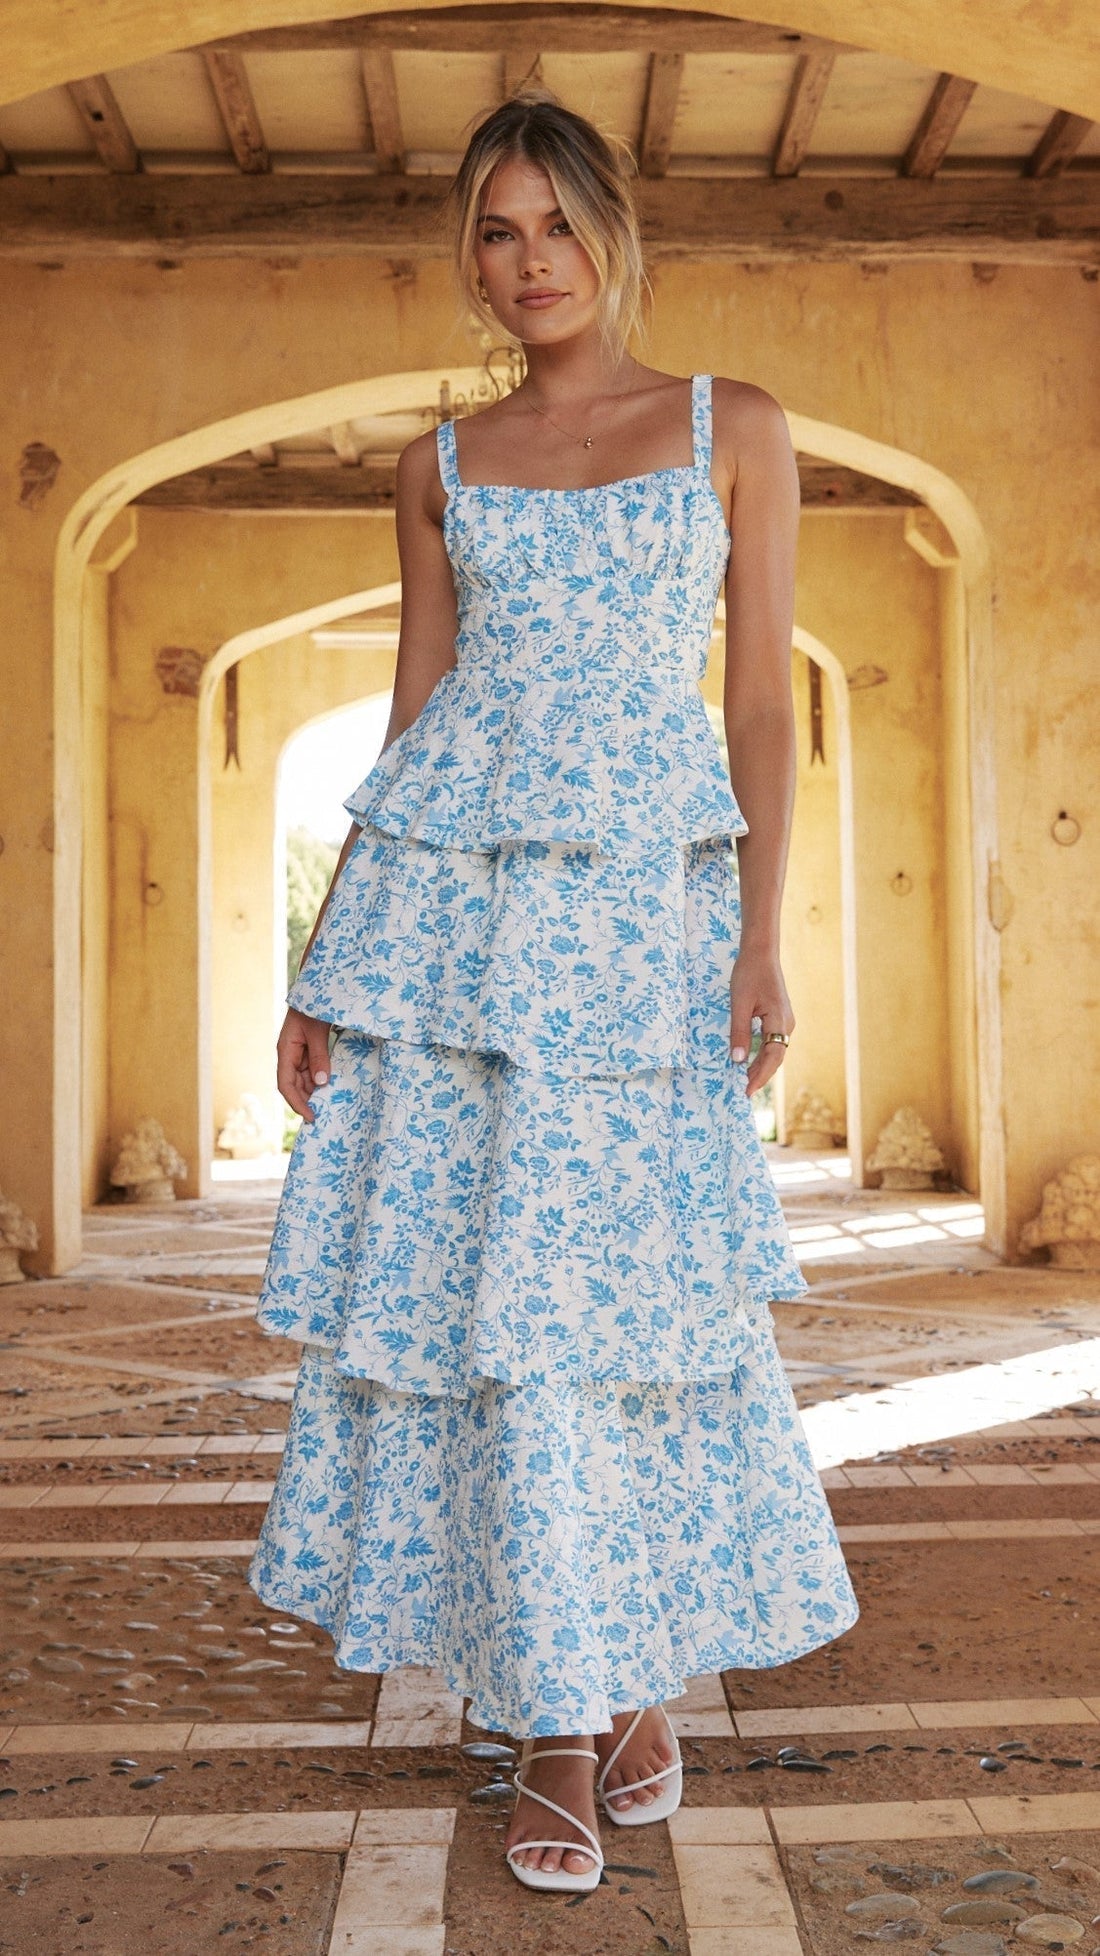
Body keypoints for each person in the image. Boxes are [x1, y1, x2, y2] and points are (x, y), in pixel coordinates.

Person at [247, 90, 858, 1895]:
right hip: (456, 945)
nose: (529, 266)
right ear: (473, 255)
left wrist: (760, 932)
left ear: (614, 232)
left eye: (555, 229)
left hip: (641, 944)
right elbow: (414, 715)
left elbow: (757, 705)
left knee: (627, 1326)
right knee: (487, 1334)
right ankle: (557, 1729)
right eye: (496, 235)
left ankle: (614, 1666)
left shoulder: (728, 427)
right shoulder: (437, 462)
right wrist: (326, 963)